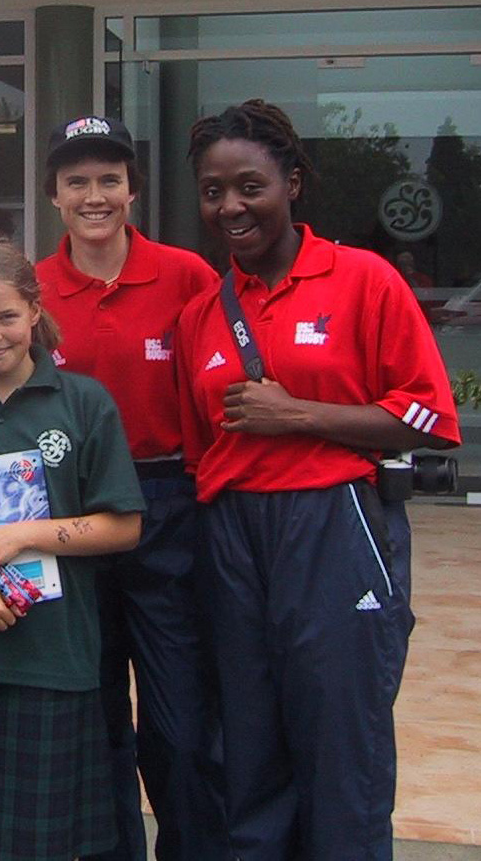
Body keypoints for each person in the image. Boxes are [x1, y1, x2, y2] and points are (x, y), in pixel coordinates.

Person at [179, 98, 460, 859]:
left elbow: (428, 420)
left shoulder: (361, 280)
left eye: (249, 185)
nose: (231, 206)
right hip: (232, 534)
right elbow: (200, 448)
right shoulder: (203, 310)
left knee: (341, 746)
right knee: (249, 746)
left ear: (292, 182)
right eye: (212, 191)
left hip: (333, 524)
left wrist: (299, 415)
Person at [0, 237, 145, 861]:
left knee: (48, 842)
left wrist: (27, 533)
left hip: (55, 656)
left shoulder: (84, 401)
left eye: (6, 317)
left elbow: (123, 526)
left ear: (35, 312)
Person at [35, 116, 227, 860]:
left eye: (108, 179)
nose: (93, 195)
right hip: (70, 511)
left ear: (132, 189)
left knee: (179, 717)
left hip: (165, 503)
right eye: (76, 181)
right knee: (95, 715)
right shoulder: (32, 287)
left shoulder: (186, 276)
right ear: (53, 193)